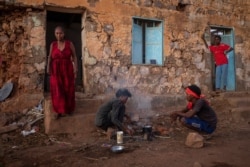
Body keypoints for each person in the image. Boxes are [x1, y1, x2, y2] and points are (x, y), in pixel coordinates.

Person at [47, 26, 78, 119]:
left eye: (60, 33)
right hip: (56, 70)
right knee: (57, 89)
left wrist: (75, 68)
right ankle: (57, 111)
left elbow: (75, 56)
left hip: (67, 69)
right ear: (54, 34)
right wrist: (48, 67)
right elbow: (49, 57)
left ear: (64, 34)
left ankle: (68, 109)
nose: (58, 35)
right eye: (56, 33)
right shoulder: (53, 45)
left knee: (68, 88)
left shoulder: (69, 44)